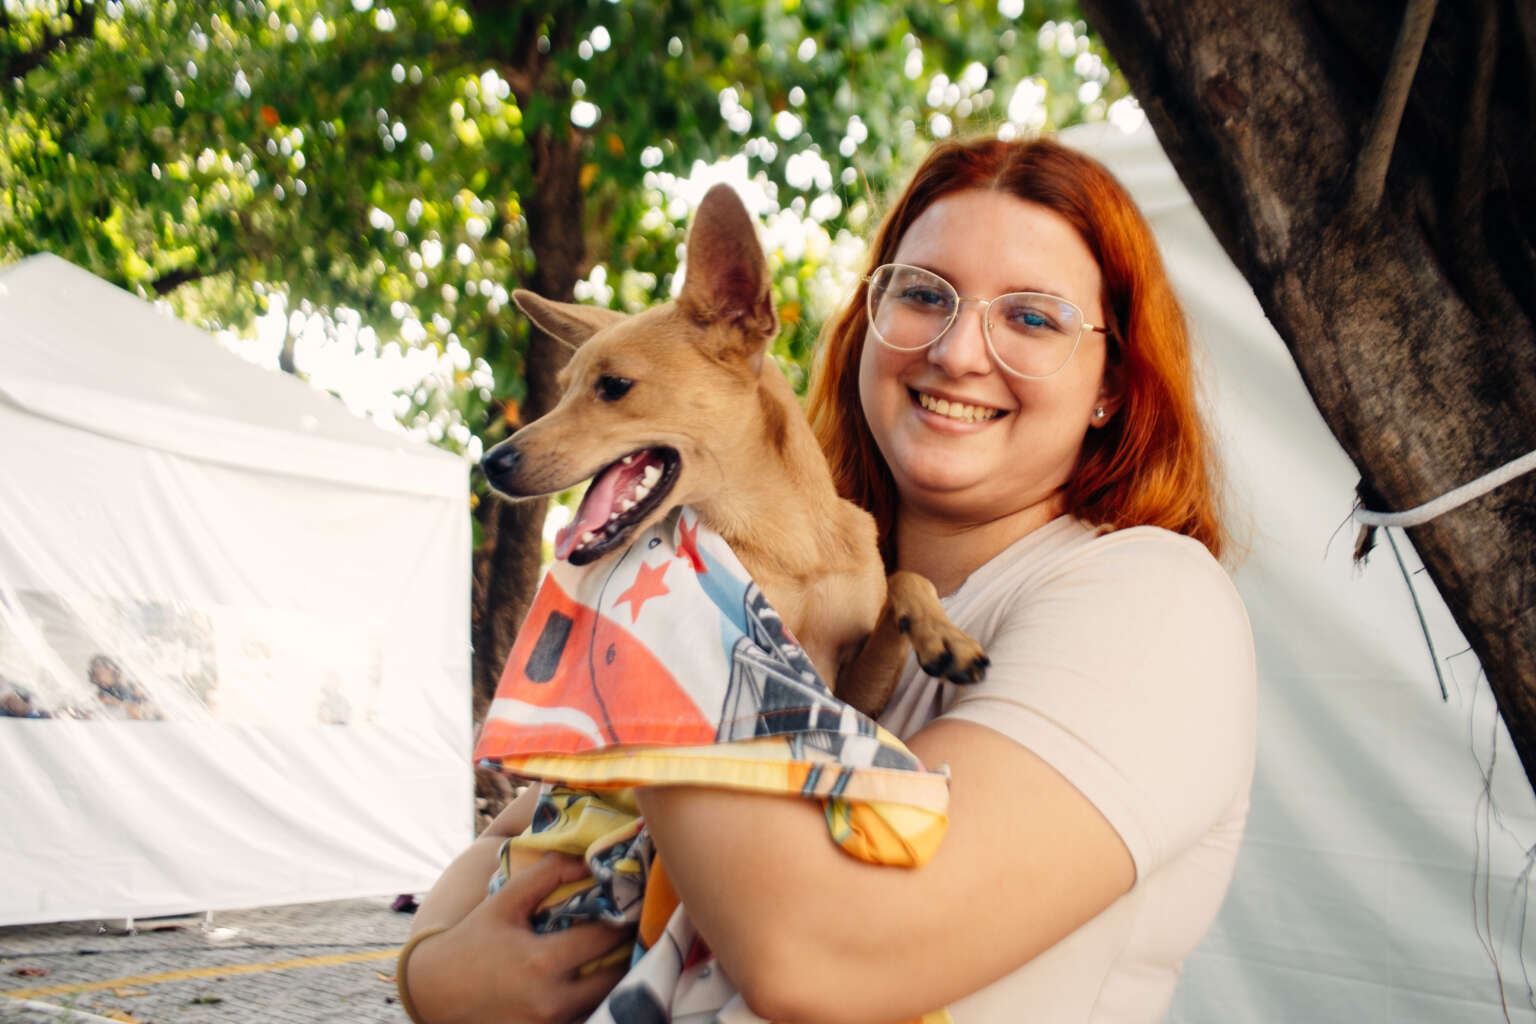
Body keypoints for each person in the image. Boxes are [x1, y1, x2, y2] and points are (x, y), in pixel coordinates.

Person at [400, 134, 1256, 1024]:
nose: (960, 352)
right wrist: (431, 977)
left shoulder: (1154, 605)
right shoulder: (762, 576)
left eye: (1032, 317)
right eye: (924, 295)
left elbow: (813, 951)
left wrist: (649, 610)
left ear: (1111, 383)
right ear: (866, 323)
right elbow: (517, 827)